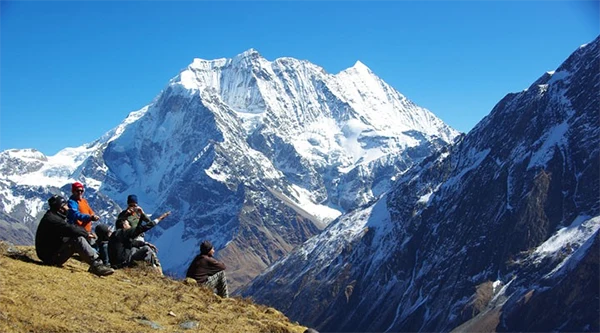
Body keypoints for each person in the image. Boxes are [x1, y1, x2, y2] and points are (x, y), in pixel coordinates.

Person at [35, 194, 114, 276]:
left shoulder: (52, 216)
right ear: (60, 208)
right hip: (51, 258)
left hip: (49, 254)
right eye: (65, 205)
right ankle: (96, 265)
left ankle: (96, 261)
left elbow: (69, 229)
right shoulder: (54, 220)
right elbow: (71, 229)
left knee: (75, 236)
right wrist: (86, 234)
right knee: (77, 239)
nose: (68, 207)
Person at [108, 207, 170, 271]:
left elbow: (131, 242)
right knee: (147, 249)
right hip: (123, 264)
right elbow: (143, 228)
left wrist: (145, 243)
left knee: (135, 248)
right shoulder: (125, 232)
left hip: (115, 263)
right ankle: (152, 271)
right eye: (128, 224)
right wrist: (160, 218)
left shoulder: (115, 235)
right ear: (124, 225)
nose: (130, 226)